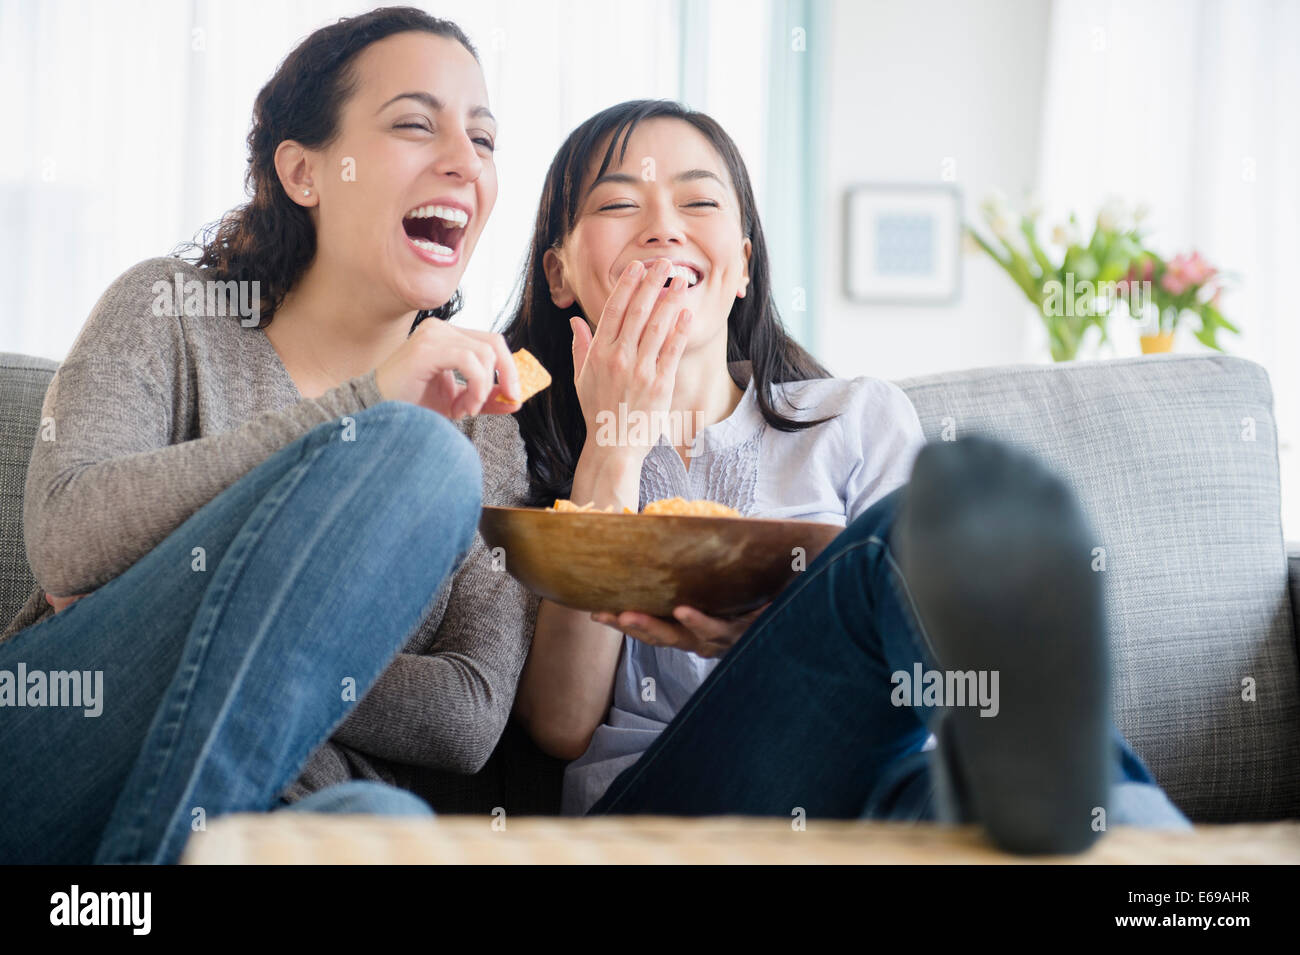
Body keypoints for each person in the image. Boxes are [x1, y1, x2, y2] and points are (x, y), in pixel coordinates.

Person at [504, 99, 1191, 854]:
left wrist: (778, 621)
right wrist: (616, 434)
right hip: (664, 805)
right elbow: (562, 724)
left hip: (870, 789)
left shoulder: (854, 418)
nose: (665, 226)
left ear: (741, 263)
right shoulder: (523, 443)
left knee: (1001, 809)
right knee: (896, 539)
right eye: (620, 203)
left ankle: (1150, 855)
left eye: (699, 200)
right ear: (560, 272)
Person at [0, 7, 537, 864]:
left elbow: (467, 715)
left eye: (484, 138)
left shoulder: (493, 430)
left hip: (282, 812)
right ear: (302, 171)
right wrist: (366, 406)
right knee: (417, 456)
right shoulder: (167, 312)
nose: (463, 161)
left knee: (387, 835)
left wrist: (197, 601)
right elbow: (68, 539)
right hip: (62, 746)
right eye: (413, 123)